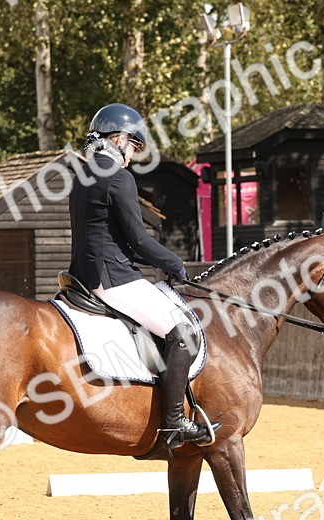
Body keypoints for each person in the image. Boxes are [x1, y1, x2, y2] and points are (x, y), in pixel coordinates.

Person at [68, 102, 214, 449]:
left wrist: (155, 262)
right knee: (183, 333)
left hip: (82, 275)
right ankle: (175, 423)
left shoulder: (81, 176)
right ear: (117, 139)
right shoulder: (119, 178)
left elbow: (110, 236)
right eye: (133, 146)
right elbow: (137, 238)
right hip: (112, 278)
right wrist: (175, 264)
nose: (133, 155)